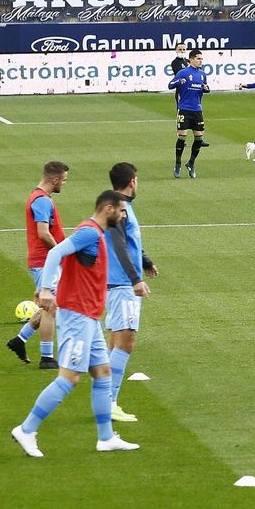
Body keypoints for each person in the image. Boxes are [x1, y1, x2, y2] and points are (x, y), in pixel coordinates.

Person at [10, 190, 141, 457]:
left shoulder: (97, 233)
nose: (124, 215)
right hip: (77, 317)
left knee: (102, 373)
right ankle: (26, 429)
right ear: (107, 209)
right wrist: (45, 288)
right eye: (121, 210)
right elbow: (55, 252)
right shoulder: (89, 232)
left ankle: (106, 438)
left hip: (90, 317)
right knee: (69, 377)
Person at [105, 162, 156, 424]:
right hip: (123, 285)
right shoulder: (119, 208)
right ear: (132, 181)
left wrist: (145, 261)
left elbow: (131, 243)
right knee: (125, 343)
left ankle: (105, 400)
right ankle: (109, 402)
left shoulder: (121, 206)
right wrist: (136, 279)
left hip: (120, 283)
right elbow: (119, 244)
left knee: (116, 342)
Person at [8, 162, 69, 368]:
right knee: (51, 308)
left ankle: (20, 340)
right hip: (45, 261)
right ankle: (46, 358)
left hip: (44, 261)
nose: (64, 184)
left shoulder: (39, 197)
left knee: (48, 306)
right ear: (54, 180)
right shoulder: (42, 201)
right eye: (64, 180)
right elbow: (43, 233)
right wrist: (62, 251)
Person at [169, 49, 211, 178]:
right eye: (198, 59)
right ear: (191, 59)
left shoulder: (203, 74)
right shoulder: (183, 72)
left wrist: (206, 89)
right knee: (182, 136)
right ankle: (177, 164)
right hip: (184, 109)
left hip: (197, 110)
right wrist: (178, 82)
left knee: (199, 137)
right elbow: (170, 85)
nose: (200, 61)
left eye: (201, 59)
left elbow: (205, 88)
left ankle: (191, 163)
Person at [168, 43, 189, 108]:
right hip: (181, 90)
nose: (182, 51)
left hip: (190, 90)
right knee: (181, 111)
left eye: (183, 49)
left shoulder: (188, 61)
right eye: (180, 49)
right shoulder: (175, 62)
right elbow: (179, 74)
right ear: (176, 50)